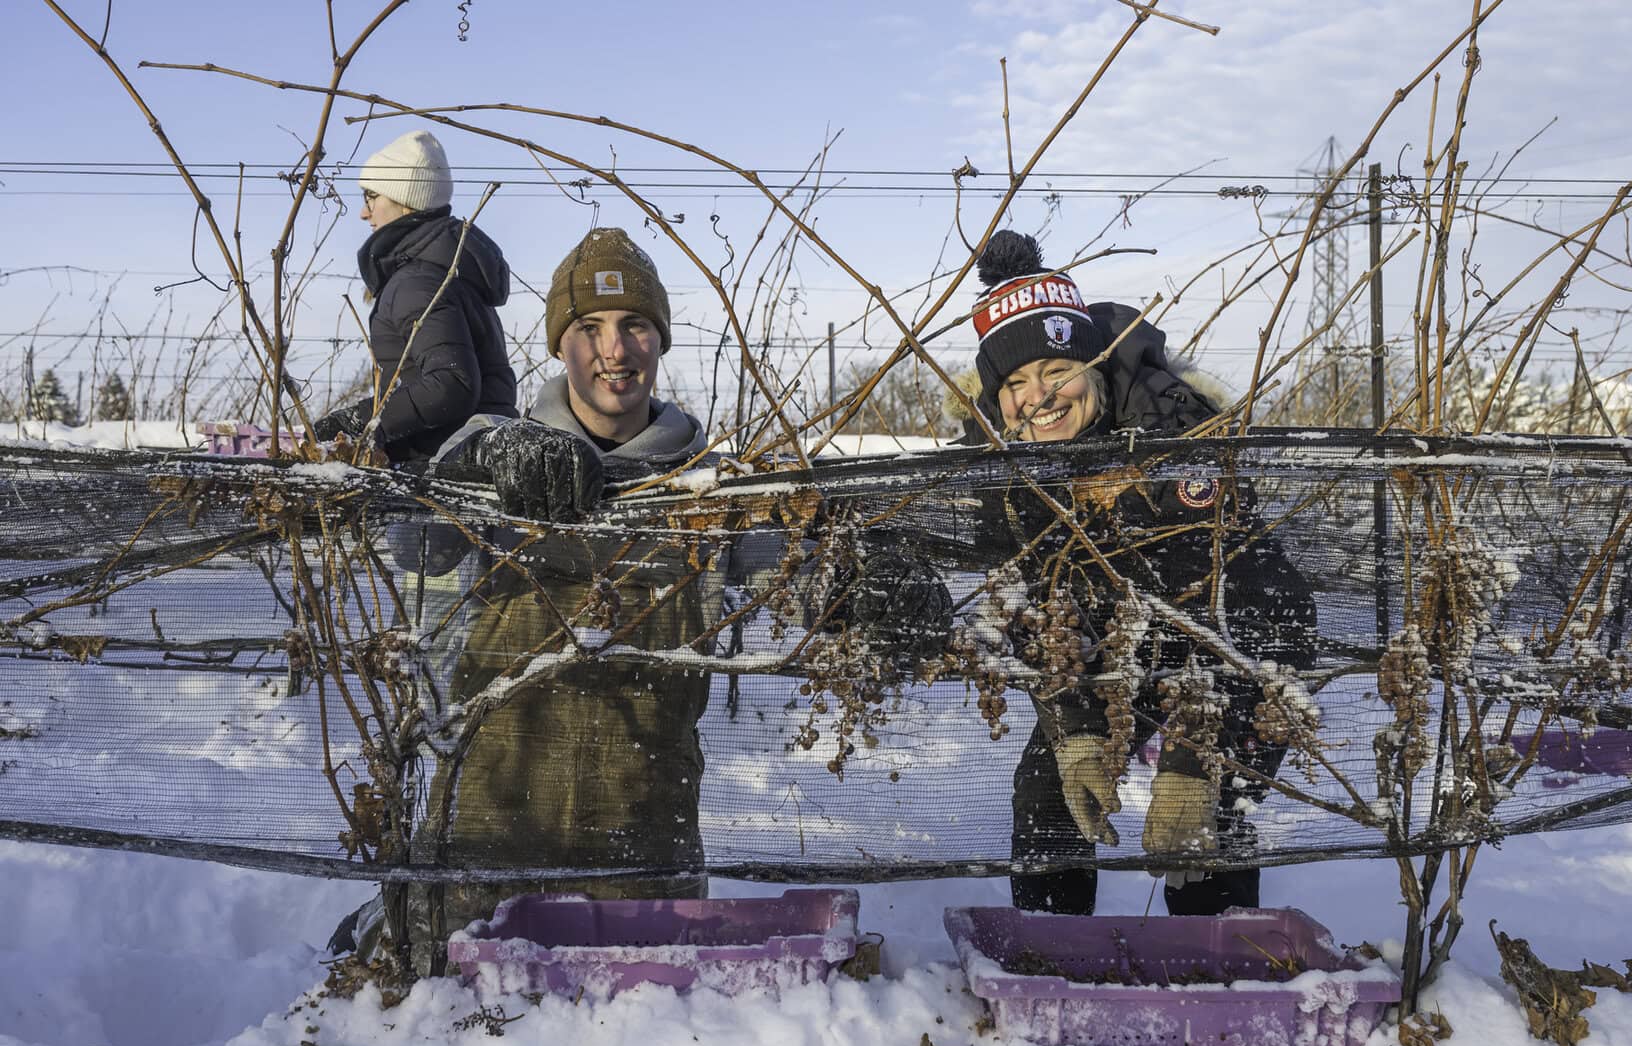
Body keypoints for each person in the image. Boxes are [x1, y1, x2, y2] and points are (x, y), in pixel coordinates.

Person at [335, 227, 946, 974]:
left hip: (645, 848)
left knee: (643, 1026)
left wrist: (858, 587)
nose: (614, 350)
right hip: (485, 834)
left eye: (635, 326)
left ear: (660, 341)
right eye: (589, 327)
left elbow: (792, 576)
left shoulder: (709, 491)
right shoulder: (498, 455)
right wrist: (477, 460)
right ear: (559, 345)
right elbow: (414, 547)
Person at [963, 231, 1318, 918]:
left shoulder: (1179, 443)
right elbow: (1026, 607)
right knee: (1047, 788)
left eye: (1056, 371)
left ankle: (1217, 955)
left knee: (1208, 814)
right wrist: (1075, 728)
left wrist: (1199, 755)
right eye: (1014, 383)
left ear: (1094, 368)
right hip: (1104, 653)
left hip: (1219, 659)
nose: (1038, 397)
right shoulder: (1000, 467)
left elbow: (1272, 613)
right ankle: (1049, 952)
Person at [311, 129, 518, 463]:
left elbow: (452, 382)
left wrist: (360, 423)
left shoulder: (418, 280)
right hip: (473, 454)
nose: (364, 212)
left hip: (441, 464)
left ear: (404, 200)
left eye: (371, 196)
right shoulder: (448, 269)